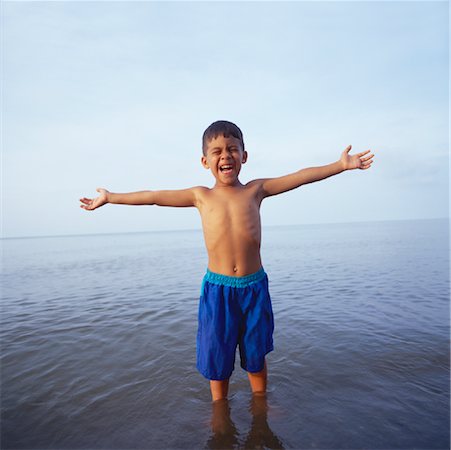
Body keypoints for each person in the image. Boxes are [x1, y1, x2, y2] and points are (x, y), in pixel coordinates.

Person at [79, 120, 374, 402]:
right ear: (205, 161)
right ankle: (219, 409)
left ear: (244, 156)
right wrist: (111, 197)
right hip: (218, 290)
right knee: (216, 355)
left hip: (253, 286)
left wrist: (339, 166)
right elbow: (154, 196)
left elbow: (298, 177)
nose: (226, 156)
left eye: (232, 149)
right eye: (217, 152)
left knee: (255, 354)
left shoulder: (256, 190)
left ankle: (261, 402)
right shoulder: (200, 196)